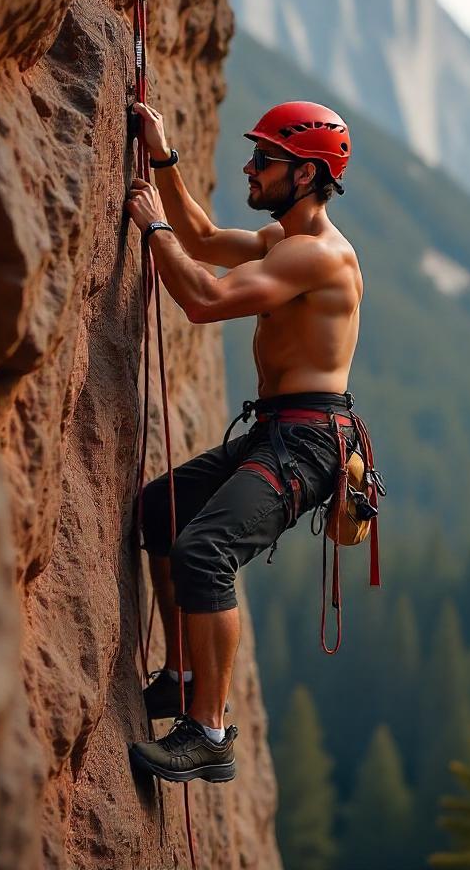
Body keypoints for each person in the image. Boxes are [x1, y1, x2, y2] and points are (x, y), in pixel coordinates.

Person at [124, 99, 370, 784]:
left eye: (264, 160)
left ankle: (209, 731)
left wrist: (153, 230)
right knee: (161, 511)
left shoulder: (319, 259)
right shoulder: (282, 243)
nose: (249, 167)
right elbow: (203, 241)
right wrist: (164, 154)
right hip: (280, 432)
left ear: (304, 175)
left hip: (308, 443)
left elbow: (201, 297)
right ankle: (178, 676)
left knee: (206, 550)